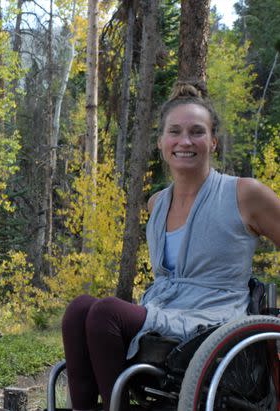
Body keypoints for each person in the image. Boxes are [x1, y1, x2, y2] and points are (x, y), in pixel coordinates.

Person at [61, 81, 280, 411]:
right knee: (79, 308)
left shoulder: (244, 194)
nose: (185, 141)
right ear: (162, 142)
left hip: (214, 315)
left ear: (213, 141)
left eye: (197, 132)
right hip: (166, 306)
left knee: (106, 313)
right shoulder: (157, 203)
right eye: (175, 132)